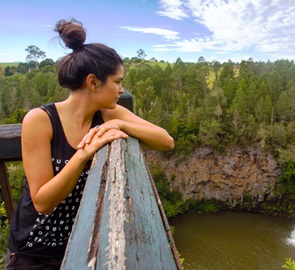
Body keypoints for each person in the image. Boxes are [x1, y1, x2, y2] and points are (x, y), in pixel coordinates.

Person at [6, 19, 174, 269]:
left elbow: (166, 141)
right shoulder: (41, 120)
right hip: (34, 250)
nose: (121, 89)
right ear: (93, 82)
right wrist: (83, 154)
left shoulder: (109, 114)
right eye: (117, 81)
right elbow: (42, 201)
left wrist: (121, 125)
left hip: (81, 245)